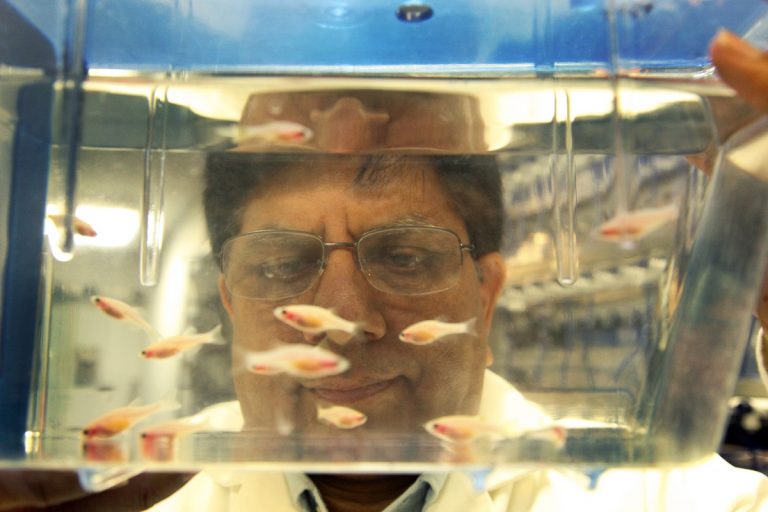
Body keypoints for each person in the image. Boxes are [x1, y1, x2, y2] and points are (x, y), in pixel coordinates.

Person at [2, 29, 768, 512]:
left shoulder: (660, 495)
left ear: (488, 292)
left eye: (404, 256)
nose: (348, 320)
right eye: (282, 265)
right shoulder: (127, 486)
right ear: (230, 303)